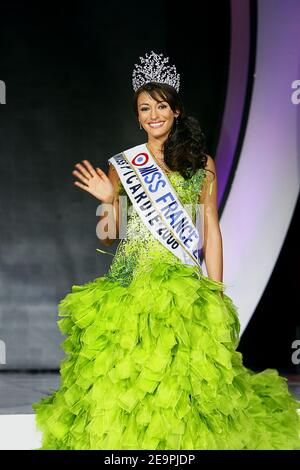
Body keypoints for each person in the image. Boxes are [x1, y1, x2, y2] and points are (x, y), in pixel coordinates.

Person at [32, 51, 300, 450]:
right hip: (129, 284)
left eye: (160, 106)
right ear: (138, 116)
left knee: (184, 381)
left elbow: (209, 225)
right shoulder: (125, 165)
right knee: (126, 376)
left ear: (175, 110)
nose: (153, 115)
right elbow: (109, 236)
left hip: (181, 287)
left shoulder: (201, 164)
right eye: (145, 108)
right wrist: (109, 201)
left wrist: (216, 288)